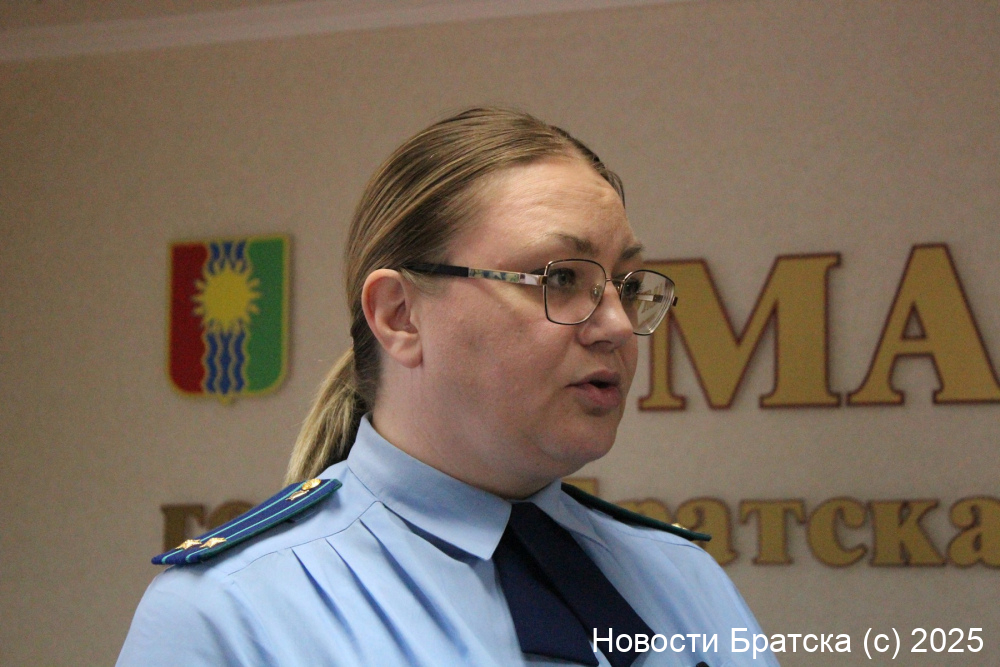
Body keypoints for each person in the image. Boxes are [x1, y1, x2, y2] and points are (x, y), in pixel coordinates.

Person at [118, 108, 778, 666]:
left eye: (626, 286)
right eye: (559, 279)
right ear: (400, 316)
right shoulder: (231, 614)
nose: (616, 326)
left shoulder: (680, 576)